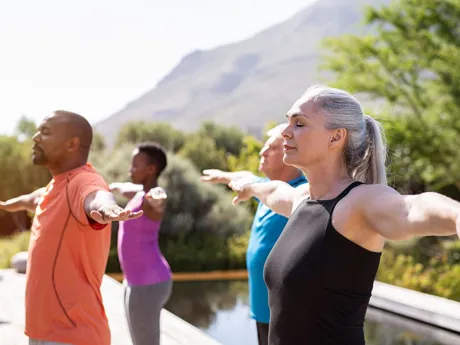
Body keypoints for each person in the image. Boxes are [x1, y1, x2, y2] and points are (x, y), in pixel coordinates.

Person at [228, 85, 460, 345]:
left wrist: (457, 216)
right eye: (288, 122)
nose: (285, 132)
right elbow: (270, 190)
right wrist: (247, 186)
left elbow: (412, 208)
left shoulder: (358, 203)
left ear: (336, 137)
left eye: (299, 123)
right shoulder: (302, 199)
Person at [0, 110, 142, 345]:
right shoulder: (56, 185)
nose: (35, 137)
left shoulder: (83, 181)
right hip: (42, 332)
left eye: (45, 132)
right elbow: (37, 197)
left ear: (72, 144)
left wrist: (108, 209)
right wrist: (12, 203)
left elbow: (97, 196)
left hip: (73, 335)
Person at [200, 125, 307, 345]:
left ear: (290, 153)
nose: (262, 152)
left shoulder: (302, 193)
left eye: (271, 148)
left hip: (291, 316)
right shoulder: (265, 188)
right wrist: (223, 176)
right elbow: (246, 176)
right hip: (263, 311)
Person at [109, 142, 172, 345]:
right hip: (134, 281)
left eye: (135, 165)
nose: (130, 169)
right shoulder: (138, 193)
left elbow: (159, 199)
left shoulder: (150, 197)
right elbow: (123, 187)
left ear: (151, 169)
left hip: (149, 283)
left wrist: (158, 198)